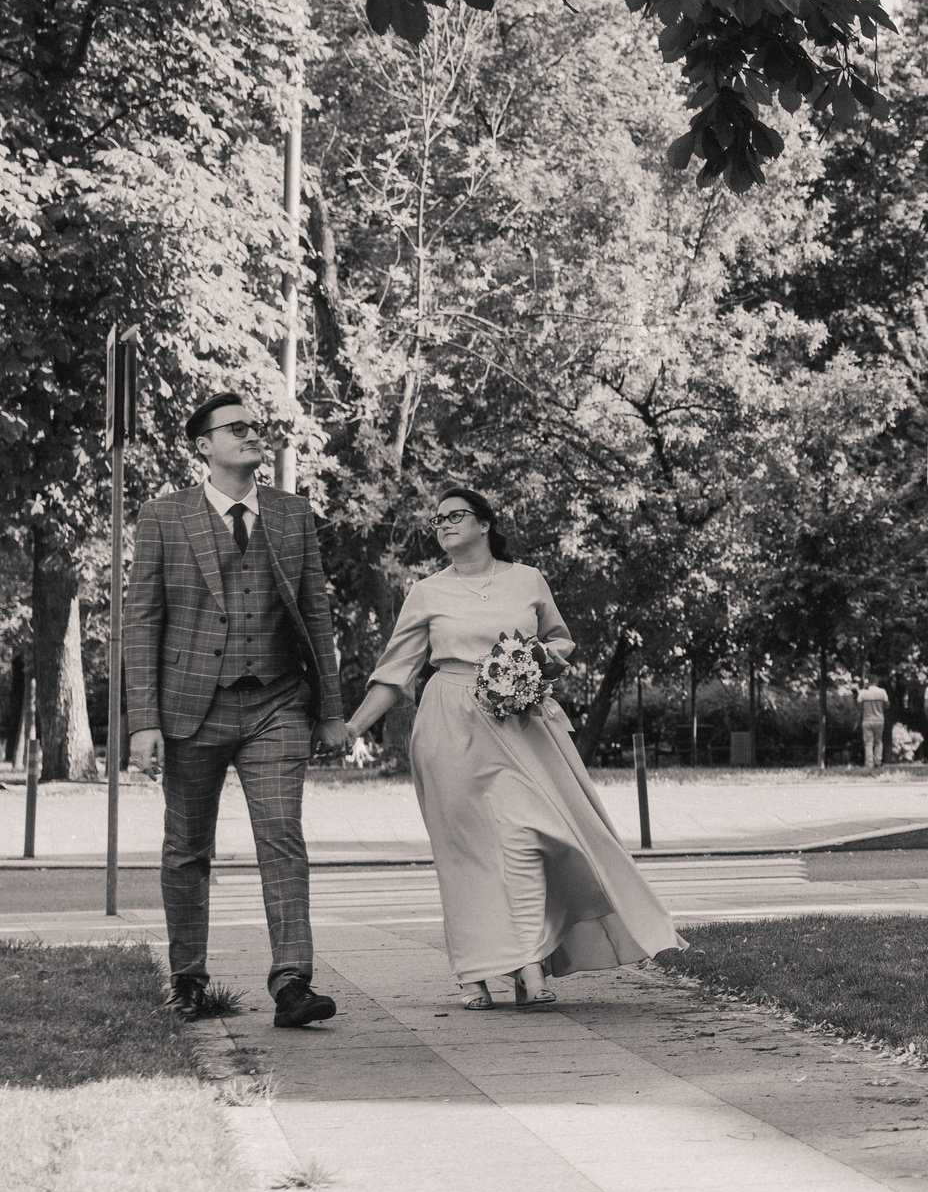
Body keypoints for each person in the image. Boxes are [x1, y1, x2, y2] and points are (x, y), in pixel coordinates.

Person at [342, 488, 683, 1009]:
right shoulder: (426, 592)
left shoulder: (527, 579)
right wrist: (351, 729)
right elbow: (395, 675)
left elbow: (560, 639)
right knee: (467, 858)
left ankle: (530, 964)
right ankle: (474, 973)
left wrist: (539, 659)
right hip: (450, 726)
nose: (443, 525)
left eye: (455, 516)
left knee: (528, 839)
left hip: (520, 722)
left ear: (484, 524)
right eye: (437, 520)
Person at [125, 392, 350, 1027]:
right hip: (192, 707)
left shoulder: (291, 512)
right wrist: (143, 721)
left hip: (278, 703)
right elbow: (141, 622)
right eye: (238, 428)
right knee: (186, 849)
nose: (255, 436)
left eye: (258, 427)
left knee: (282, 839)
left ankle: (292, 983)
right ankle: (188, 980)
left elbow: (316, 614)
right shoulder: (164, 516)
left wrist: (330, 710)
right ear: (203, 444)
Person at [858, 674, 889, 768]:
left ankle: (869, 763)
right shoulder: (882, 692)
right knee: (878, 741)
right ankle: (878, 762)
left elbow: (859, 706)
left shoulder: (863, 692)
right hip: (879, 719)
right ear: (876, 681)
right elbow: (887, 705)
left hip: (867, 720)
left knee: (868, 743)